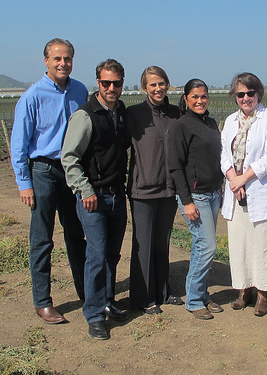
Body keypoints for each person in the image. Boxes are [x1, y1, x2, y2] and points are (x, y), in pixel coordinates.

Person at [10, 38, 87, 324]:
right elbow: (19, 143)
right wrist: (24, 183)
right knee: (42, 239)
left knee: (76, 235)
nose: (63, 63)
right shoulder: (32, 95)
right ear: (46, 61)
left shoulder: (80, 91)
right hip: (43, 171)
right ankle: (43, 301)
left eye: (67, 58)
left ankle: (86, 292)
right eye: (57, 59)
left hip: (72, 171)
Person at [61, 59, 129, 340]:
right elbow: (69, 158)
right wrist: (84, 190)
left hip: (117, 194)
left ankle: (108, 299)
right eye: (105, 83)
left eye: (116, 83)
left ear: (122, 84)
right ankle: (94, 314)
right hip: (94, 198)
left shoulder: (121, 112)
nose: (111, 88)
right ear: (97, 83)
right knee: (97, 256)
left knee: (112, 254)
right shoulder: (85, 116)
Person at [221, 72, 267, 316]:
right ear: (235, 97)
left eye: (251, 93)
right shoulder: (230, 121)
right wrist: (233, 179)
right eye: (241, 94)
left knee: (265, 244)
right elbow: (223, 154)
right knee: (241, 244)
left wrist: (244, 177)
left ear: (259, 94)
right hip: (237, 192)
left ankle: (264, 293)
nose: (246, 98)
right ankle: (244, 290)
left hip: (265, 193)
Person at [126, 66, 183, 315]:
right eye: (152, 85)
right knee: (143, 244)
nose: (158, 88)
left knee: (162, 243)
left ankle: (164, 291)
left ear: (167, 85)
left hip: (168, 190)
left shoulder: (176, 114)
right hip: (142, 190)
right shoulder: (134, 114)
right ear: (144, 88)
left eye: (161, 83)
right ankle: (143, 297)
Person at [169, 79, 224, 320]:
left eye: (203, 96)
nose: (200, 101)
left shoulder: (211, 123)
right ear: (186, 99)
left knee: (201, 247)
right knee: (208, 246)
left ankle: (202, 295)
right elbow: (175, 166)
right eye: (195, 97)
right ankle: (192, 299)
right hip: (196, 196)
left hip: (213, 193)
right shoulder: (181, 126)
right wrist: (187, 200)